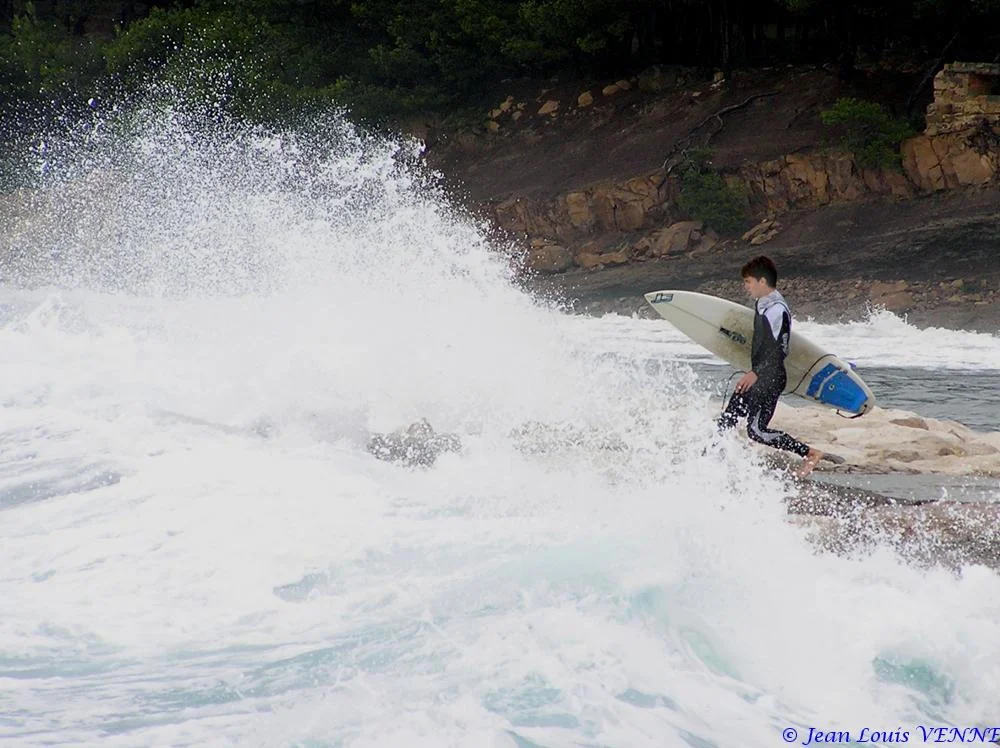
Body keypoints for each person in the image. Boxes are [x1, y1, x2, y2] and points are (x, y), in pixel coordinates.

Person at [716, 256, 824, 478]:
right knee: (728, 419)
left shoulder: (776, 310)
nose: (746, 287)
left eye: (748, 282)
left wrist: (755, 373)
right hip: (760, 375)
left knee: (756, 431)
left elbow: (779, 350)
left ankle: (811, 453)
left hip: (770, 377)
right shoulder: (763, 304)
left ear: (762, 282)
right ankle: (711, 461)